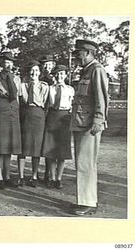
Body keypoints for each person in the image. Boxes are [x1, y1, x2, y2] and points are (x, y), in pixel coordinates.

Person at [70, 39, 109, 216]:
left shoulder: (97, 70)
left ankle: (88, 202)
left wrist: (98, 120)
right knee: (82, 163)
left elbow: (101, 98)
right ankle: (84, 200)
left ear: (87, 52)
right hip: (81, 123)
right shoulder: (86, 71)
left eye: (78, 53)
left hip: (89, 125)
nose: (77, 56)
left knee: (86, 164)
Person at [42, 65, 74, 189]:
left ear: (65, 75)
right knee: (51, 151)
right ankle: (52, 177)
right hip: (52, 116)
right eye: (57, 74)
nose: (59, 76)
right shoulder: (50, 88)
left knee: (62, 151)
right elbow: (46, 104)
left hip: (64, 117)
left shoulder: (70, 89)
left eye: (62, 74)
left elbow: (72, 105)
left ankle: (59, 179)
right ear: (54, 76)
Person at [0, 51, 22, 189]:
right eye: (5, 62)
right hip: (2, 112)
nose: (7, 64)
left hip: (13, 113)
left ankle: (7, 176)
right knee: (1, 146)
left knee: (10, 146)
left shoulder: (16, 79)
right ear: (1, 63)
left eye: (10, 62)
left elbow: (18, 97)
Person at [19, 60, 49, 188]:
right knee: (23, 146)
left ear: (39, 73)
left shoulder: (44, 86)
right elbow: (21, 101)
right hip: (26, 114)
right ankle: (20, 176)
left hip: (38, 115)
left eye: (36, 70)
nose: (34, 73)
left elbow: (45, 103)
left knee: (36, 147)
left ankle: (34, 176)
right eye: (32, 70)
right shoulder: (23, 86)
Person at [39, 54, 56, 183]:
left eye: (49, 64)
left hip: (52, 115)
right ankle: (37, 173)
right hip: (40, 114)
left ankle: (49, 174)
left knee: (51, 146)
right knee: (40, 145)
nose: (47, 67)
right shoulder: (39, 78)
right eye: (44, 65)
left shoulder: (57, 80)